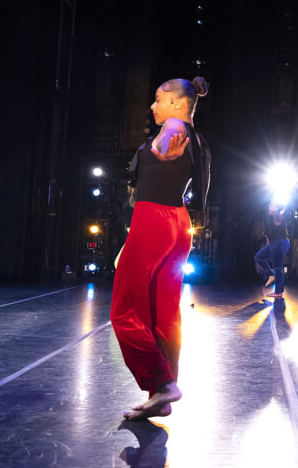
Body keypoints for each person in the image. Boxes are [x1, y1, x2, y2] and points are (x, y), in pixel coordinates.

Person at [111, 76, 210, 420]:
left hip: (153, 220)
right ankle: (162, 395)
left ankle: (161, 382)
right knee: (163, 315)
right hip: (177, 223)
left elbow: (167, 141)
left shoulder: (173, 125)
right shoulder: (197, 137)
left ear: (177, 103)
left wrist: (160, 150)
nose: (152, 105)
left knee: (125, 311)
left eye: (158, 99)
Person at [256, 202, 291, 298]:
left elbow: (278, 220)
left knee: (278, 267)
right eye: (270, 205)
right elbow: (270, 234)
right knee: (259, 257)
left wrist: (276, 212)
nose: (270, 206)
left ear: (277, 208)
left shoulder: (278, 215)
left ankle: (278, 292)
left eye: (272, 205)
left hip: (280, 244)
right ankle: (271, 275)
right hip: (273, 244)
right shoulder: (269, 218)